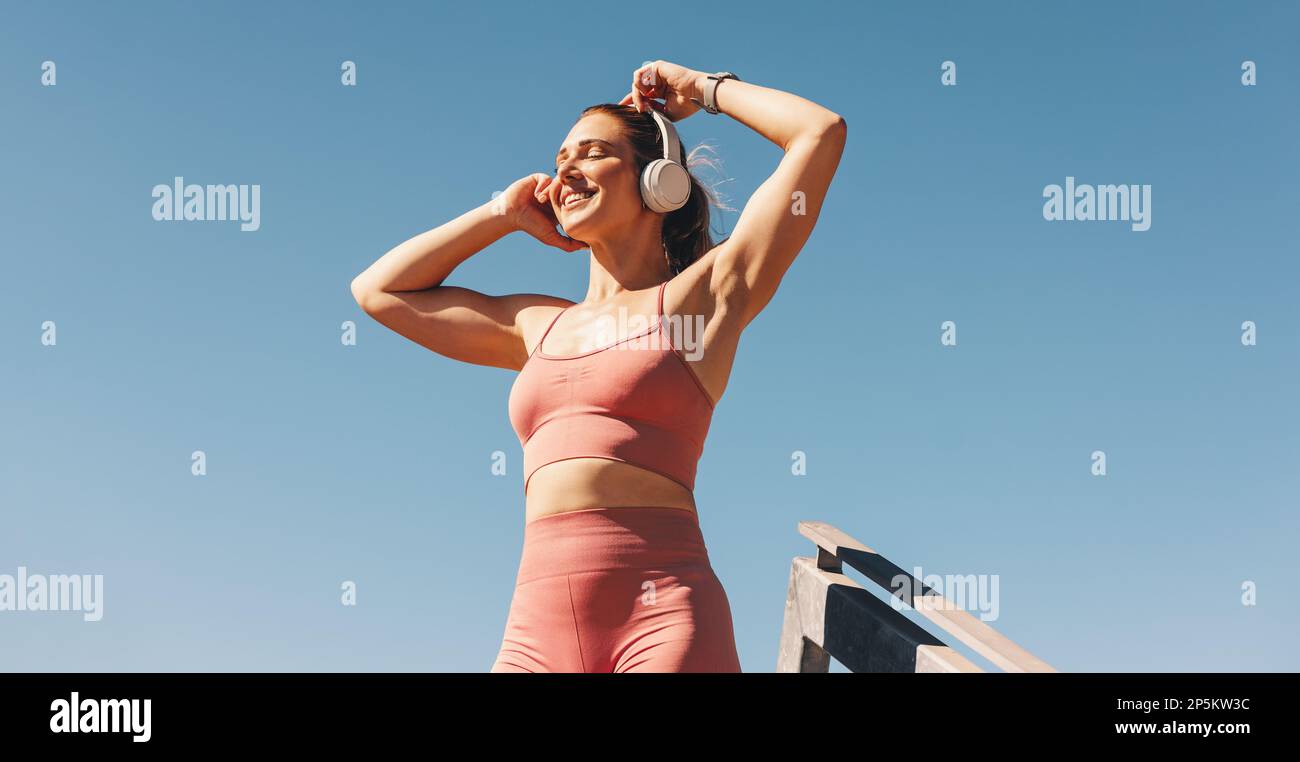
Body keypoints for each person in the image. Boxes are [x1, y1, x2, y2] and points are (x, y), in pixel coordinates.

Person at [350, 60, 847, 672]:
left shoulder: (704, 297)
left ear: (657, 183)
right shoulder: (536, 325)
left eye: (591, 153)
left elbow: (819, 133)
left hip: (663, 619)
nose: (566, 171)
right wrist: (500, 215)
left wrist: (700, 89)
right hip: (534, 632)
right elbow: (379, 292)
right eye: (561, 160)